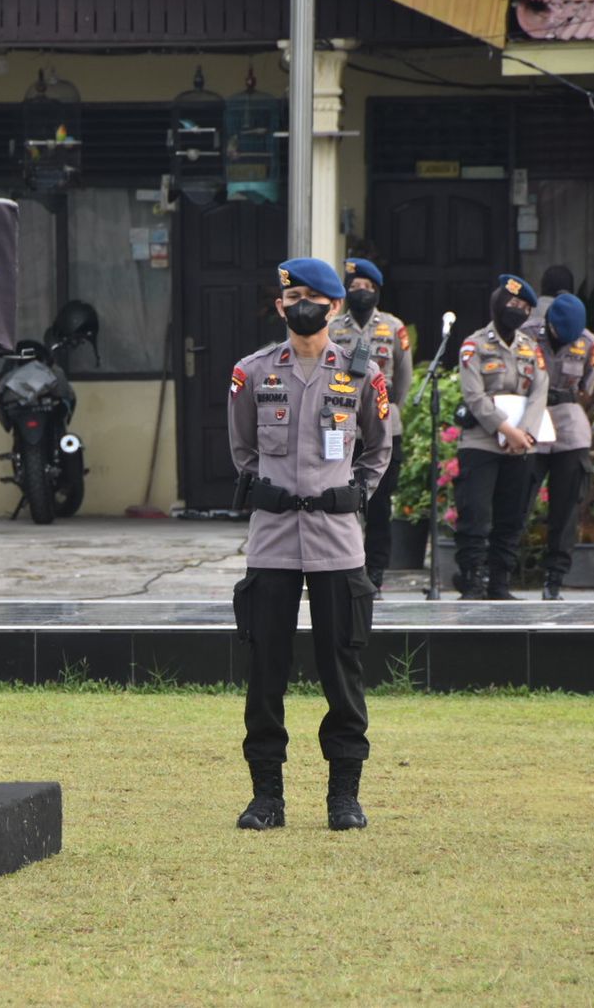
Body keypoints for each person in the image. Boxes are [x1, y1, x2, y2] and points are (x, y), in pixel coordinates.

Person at [228, 256, 391, 832]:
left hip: (337, 543)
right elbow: (243, 450)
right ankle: (265, 798)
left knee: (341, 670)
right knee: (265, 671)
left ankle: (344, 796)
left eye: (311, 296)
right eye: (290, 295)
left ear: (335, 306)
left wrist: (352, 494)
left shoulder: (360, 373)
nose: (301, 304)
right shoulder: (250, 374)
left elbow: (377, 448)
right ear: (279, 305)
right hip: (271, 541)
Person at [454, 274, 549, 600]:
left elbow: (540, 392)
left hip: (521, 445)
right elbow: (473, 395)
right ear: (498, 304)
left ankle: (500, 583)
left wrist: (525, 435)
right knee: (475, 515)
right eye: (513, 304)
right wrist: (504, 428)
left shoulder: (530, 348)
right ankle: (472, 581)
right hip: (481, 442)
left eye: (524, 307)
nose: (518, 311)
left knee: (511, 517)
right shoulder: (475, 344)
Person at [327, 257, 412, 596]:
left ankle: (375, 573)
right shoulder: (334, 328)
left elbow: (403, 378)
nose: (360, 292)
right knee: (339, 501)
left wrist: (387, 409)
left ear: (377, 291)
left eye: (367, 287)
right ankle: (345, 569)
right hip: (341, 428)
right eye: (354, 287)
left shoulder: (393, 327)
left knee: (379, 506)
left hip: (383, 428)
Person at [522, 277, 594, 601]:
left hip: (568, 418)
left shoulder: (588, 341)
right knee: (518, 497)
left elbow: (588, 387)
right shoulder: (527, 333)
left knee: (567, 505)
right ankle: (500, 570)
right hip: (531, 417)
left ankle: (555, 577)